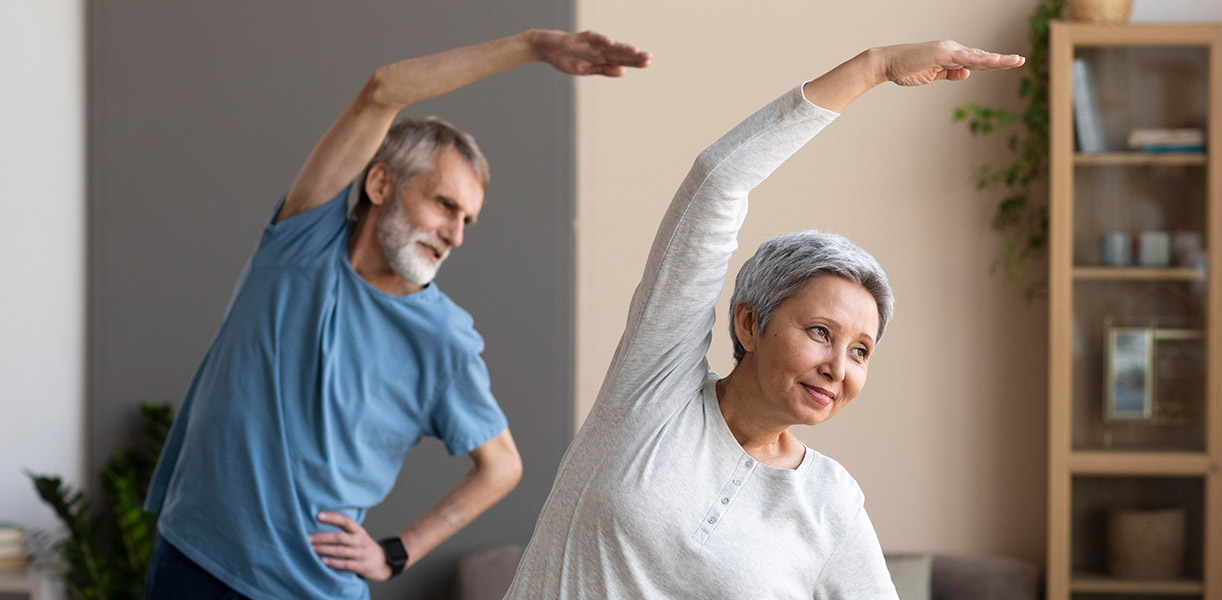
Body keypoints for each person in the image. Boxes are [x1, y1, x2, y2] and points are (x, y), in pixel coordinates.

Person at [503, 40, 1023, 599]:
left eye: (860, 350)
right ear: (750, 324)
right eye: (821, 332)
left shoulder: (831, 505)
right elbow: (717, 182)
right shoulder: (653, 393)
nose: (837, 367)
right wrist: (874, 67)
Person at [142, 29, 650, 600]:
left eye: (468, 221)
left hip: (311, 590)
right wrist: (532, 48)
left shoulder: (445, 339)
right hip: (192, 561)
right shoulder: (301, 245)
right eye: (444, 204)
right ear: (380, 182)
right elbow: (383, 90)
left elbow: (502, 466)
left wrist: (397, 551)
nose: (455, 235)